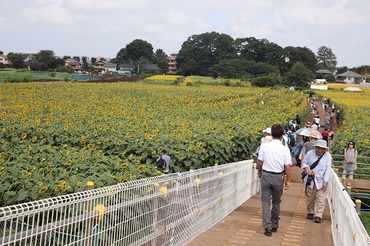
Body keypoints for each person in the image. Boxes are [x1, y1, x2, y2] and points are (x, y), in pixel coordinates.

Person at [257, 124, 291, 236]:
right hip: (278, 177)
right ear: (282, 135)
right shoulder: (284, 149)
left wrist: (259, 172)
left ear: (271, 133)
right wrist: (288, 180)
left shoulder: (264, 147)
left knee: (265, 202)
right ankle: (274, 225)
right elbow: (287, 166)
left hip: (266, 175)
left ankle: (267, 227)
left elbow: (260, 162)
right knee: (276, 202)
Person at [302, 140, 332, 223]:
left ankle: (318, 215)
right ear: (315, 147)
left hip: (321, 179)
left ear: (324, 149)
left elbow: (328, 169)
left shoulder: (328, 156)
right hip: (311, 179)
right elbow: (304, 163)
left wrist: (325, 182)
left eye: (322, 149)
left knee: (321, 199)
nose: (319, 150)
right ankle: (310, 211)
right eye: (318, 148)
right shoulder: (310, 154)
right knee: (310, 197)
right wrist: (307, 168)